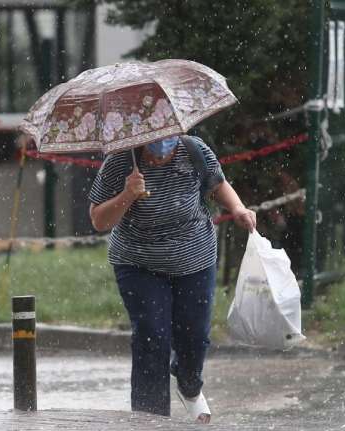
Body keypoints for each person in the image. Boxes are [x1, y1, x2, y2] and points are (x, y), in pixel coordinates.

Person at [88, 135, 256, 423]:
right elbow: (99, 220)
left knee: (196, 336)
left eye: (168, 140)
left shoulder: (194, 150)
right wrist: (127, 194)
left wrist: (238, 208)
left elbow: (217, 185)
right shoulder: (120, 161)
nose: (161, 149)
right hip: (139, 263)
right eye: (153, 142)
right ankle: (149, 418)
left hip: (195, 259)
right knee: (152, 336)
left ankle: (189, 385)